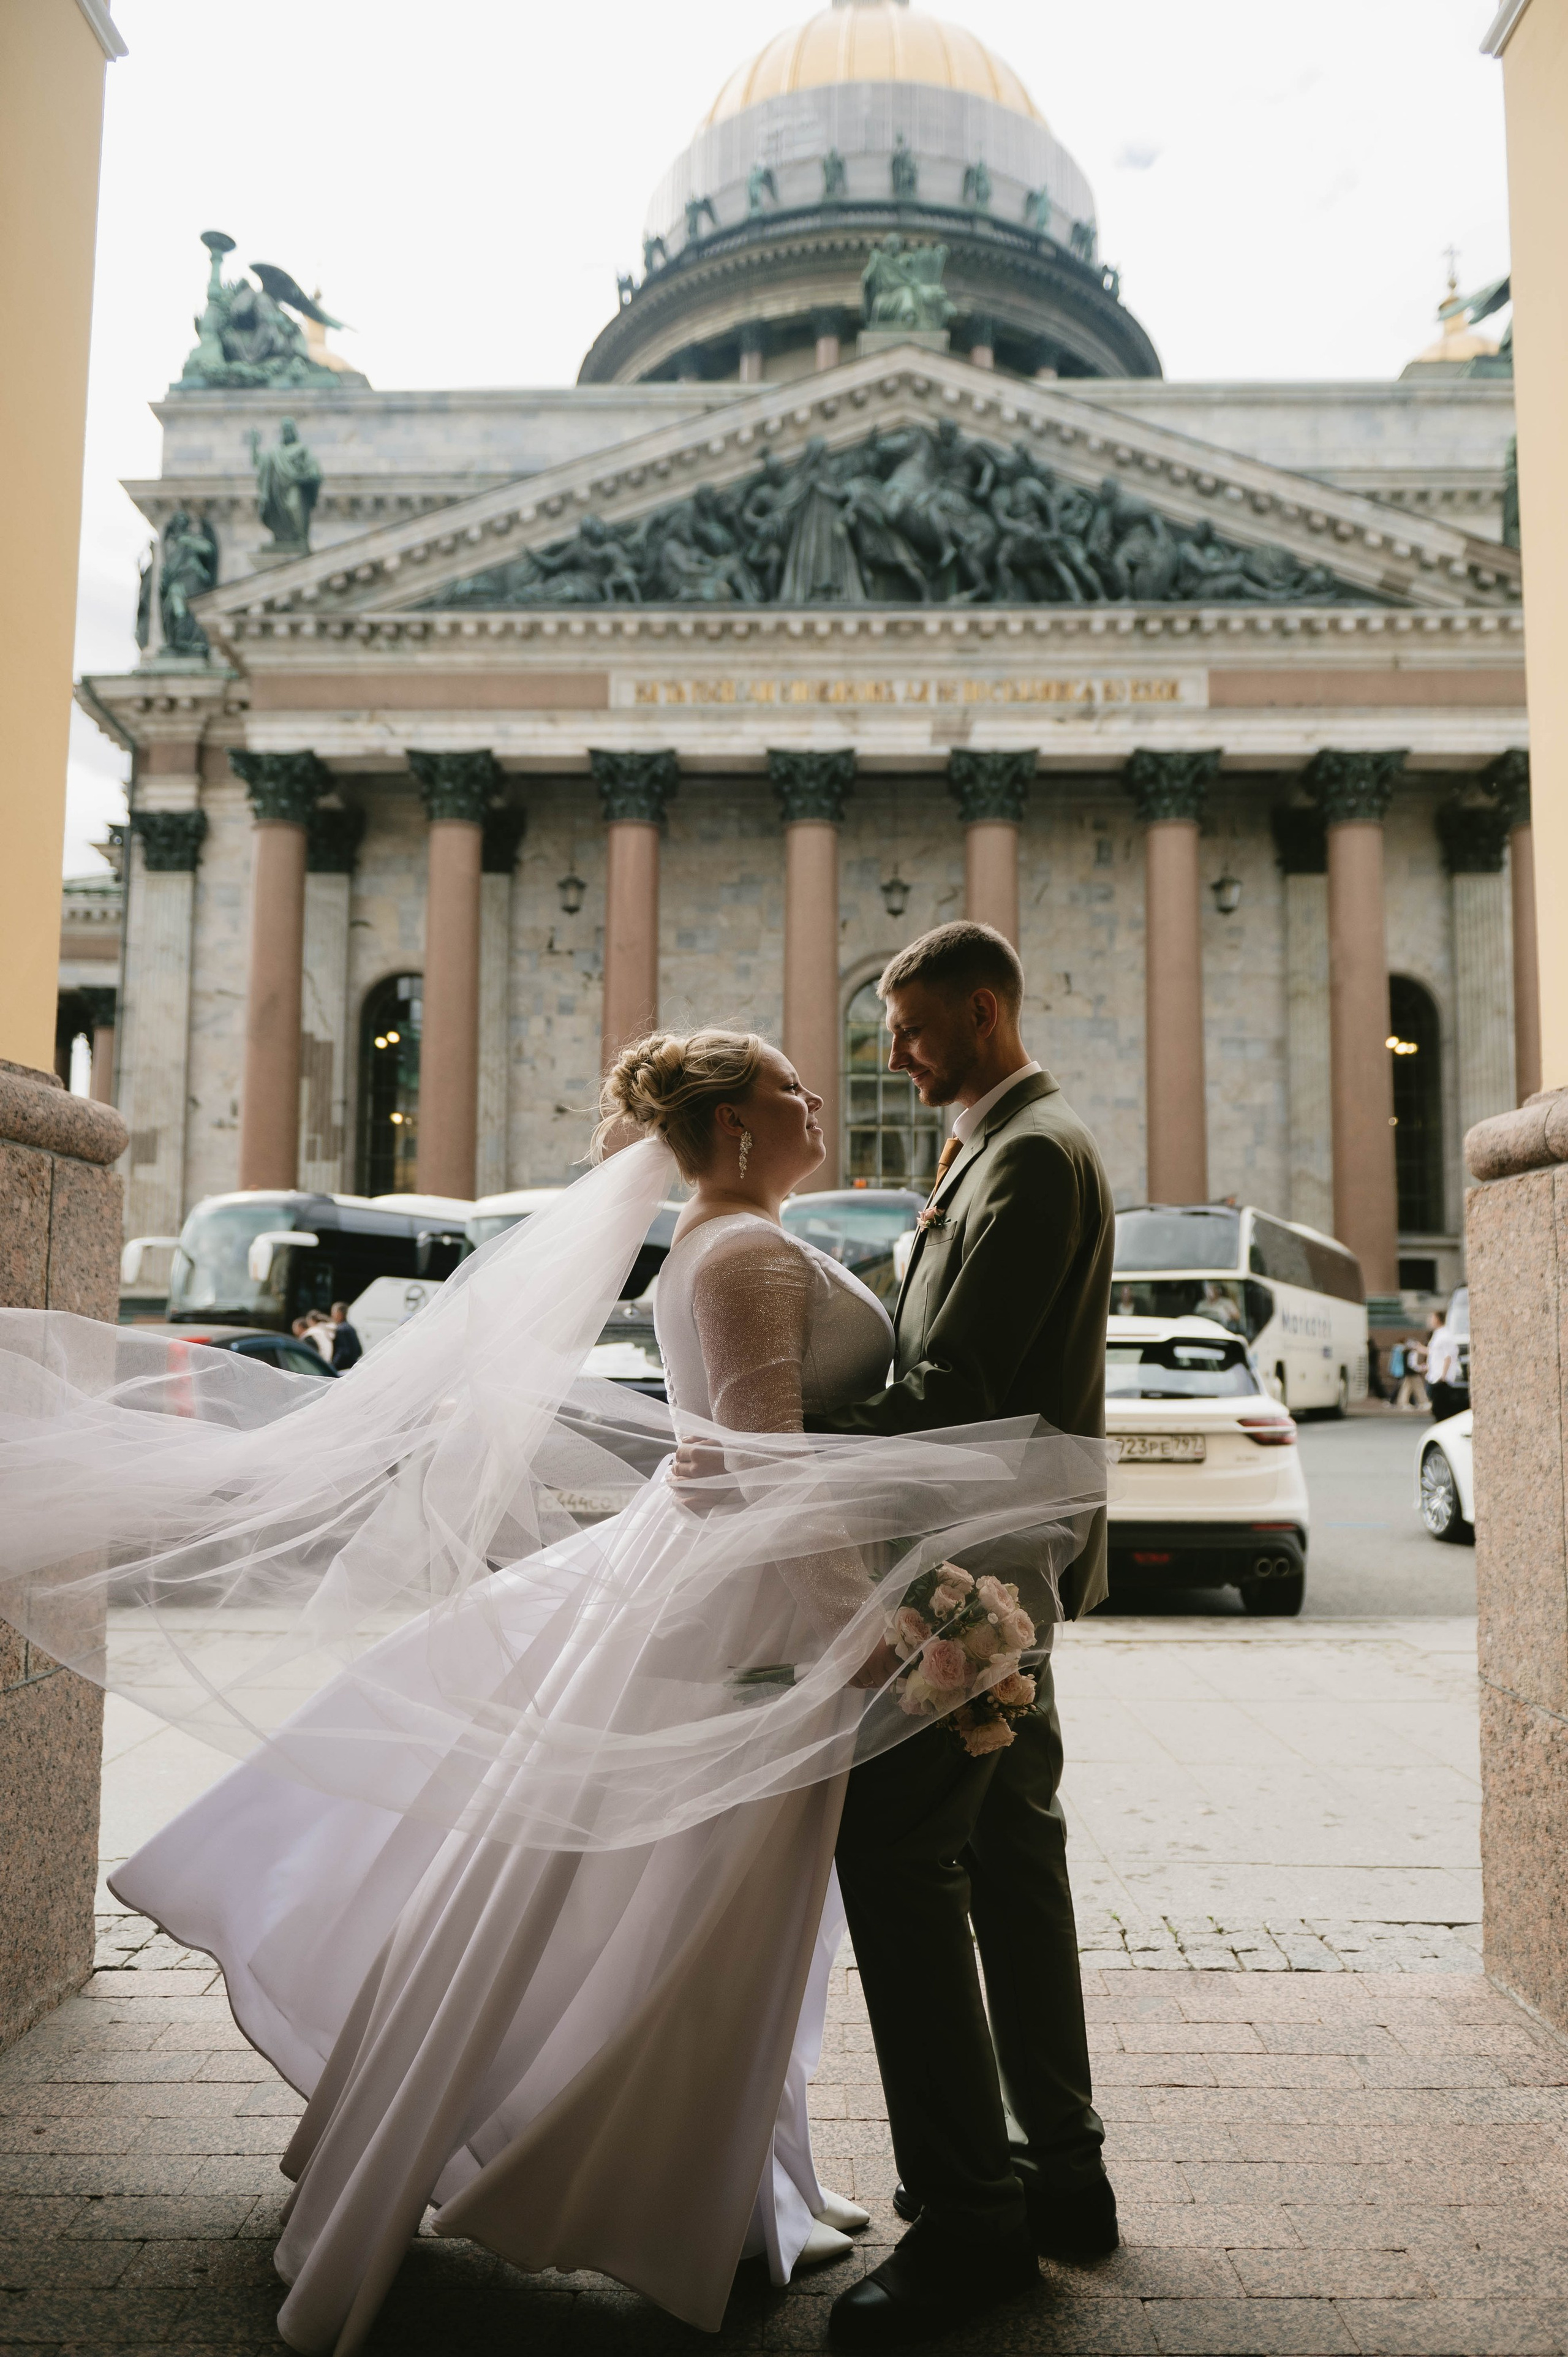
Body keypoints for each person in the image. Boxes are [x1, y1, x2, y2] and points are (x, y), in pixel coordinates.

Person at [0, 1029, 1104, 2353]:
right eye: (786, 1090)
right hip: (748, 1613)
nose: (815, 1098)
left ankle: (721, 2180)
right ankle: (644, 2176)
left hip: (725, 1591)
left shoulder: (739, 1233)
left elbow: (740, 1456)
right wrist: (863, 1634)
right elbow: (757, 1466)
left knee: (708, 1907)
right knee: (686, 1907)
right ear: (737, 1131)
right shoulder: (742, 1248)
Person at [805, 921, 1118, 2349]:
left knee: (894, 1850)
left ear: (982, 1010)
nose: (892, 1054)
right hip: (994, 1565)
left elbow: (957, 1389)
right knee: (1007, 1848)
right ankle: (1059, 2172)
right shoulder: (1003, 1146)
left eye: (912, 1026)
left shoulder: (1027, 1154)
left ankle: (970, 2221)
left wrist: (768, 1437)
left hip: (971, 1580)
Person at [1424, 1309, 1463, 1421]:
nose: (1430, 1321)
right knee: (1437, 1408)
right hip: (1434, 1376)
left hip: (1441, 1379)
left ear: (1437, 1319)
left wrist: (1443, 1376)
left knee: (1441, 1409)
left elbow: (1448, 1357)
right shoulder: (1437, 1334)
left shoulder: (1445, 1335)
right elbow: (1434, 1353)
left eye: (1432, 1318)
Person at [1392, 1336, 1428, 1413]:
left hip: (1407, 1373)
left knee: (1406, 1388)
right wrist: (1420, 1369)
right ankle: (1423, 1402)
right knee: (1419, 1388)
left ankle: (1403, 1403)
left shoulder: (1405, 1352)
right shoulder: (1413, 1353)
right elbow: (1413, 1365)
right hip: (1413, 1373)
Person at [327, 1300, 363, 1372]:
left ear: (339, 1314)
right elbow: (359, 1350)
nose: (332, 1316)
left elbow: (343, 1352)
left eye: (333, 1313)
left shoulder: (341, 1330)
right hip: (352, 1367)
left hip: (342, 1369)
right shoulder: (351, 1328)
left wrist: (332, 1366)